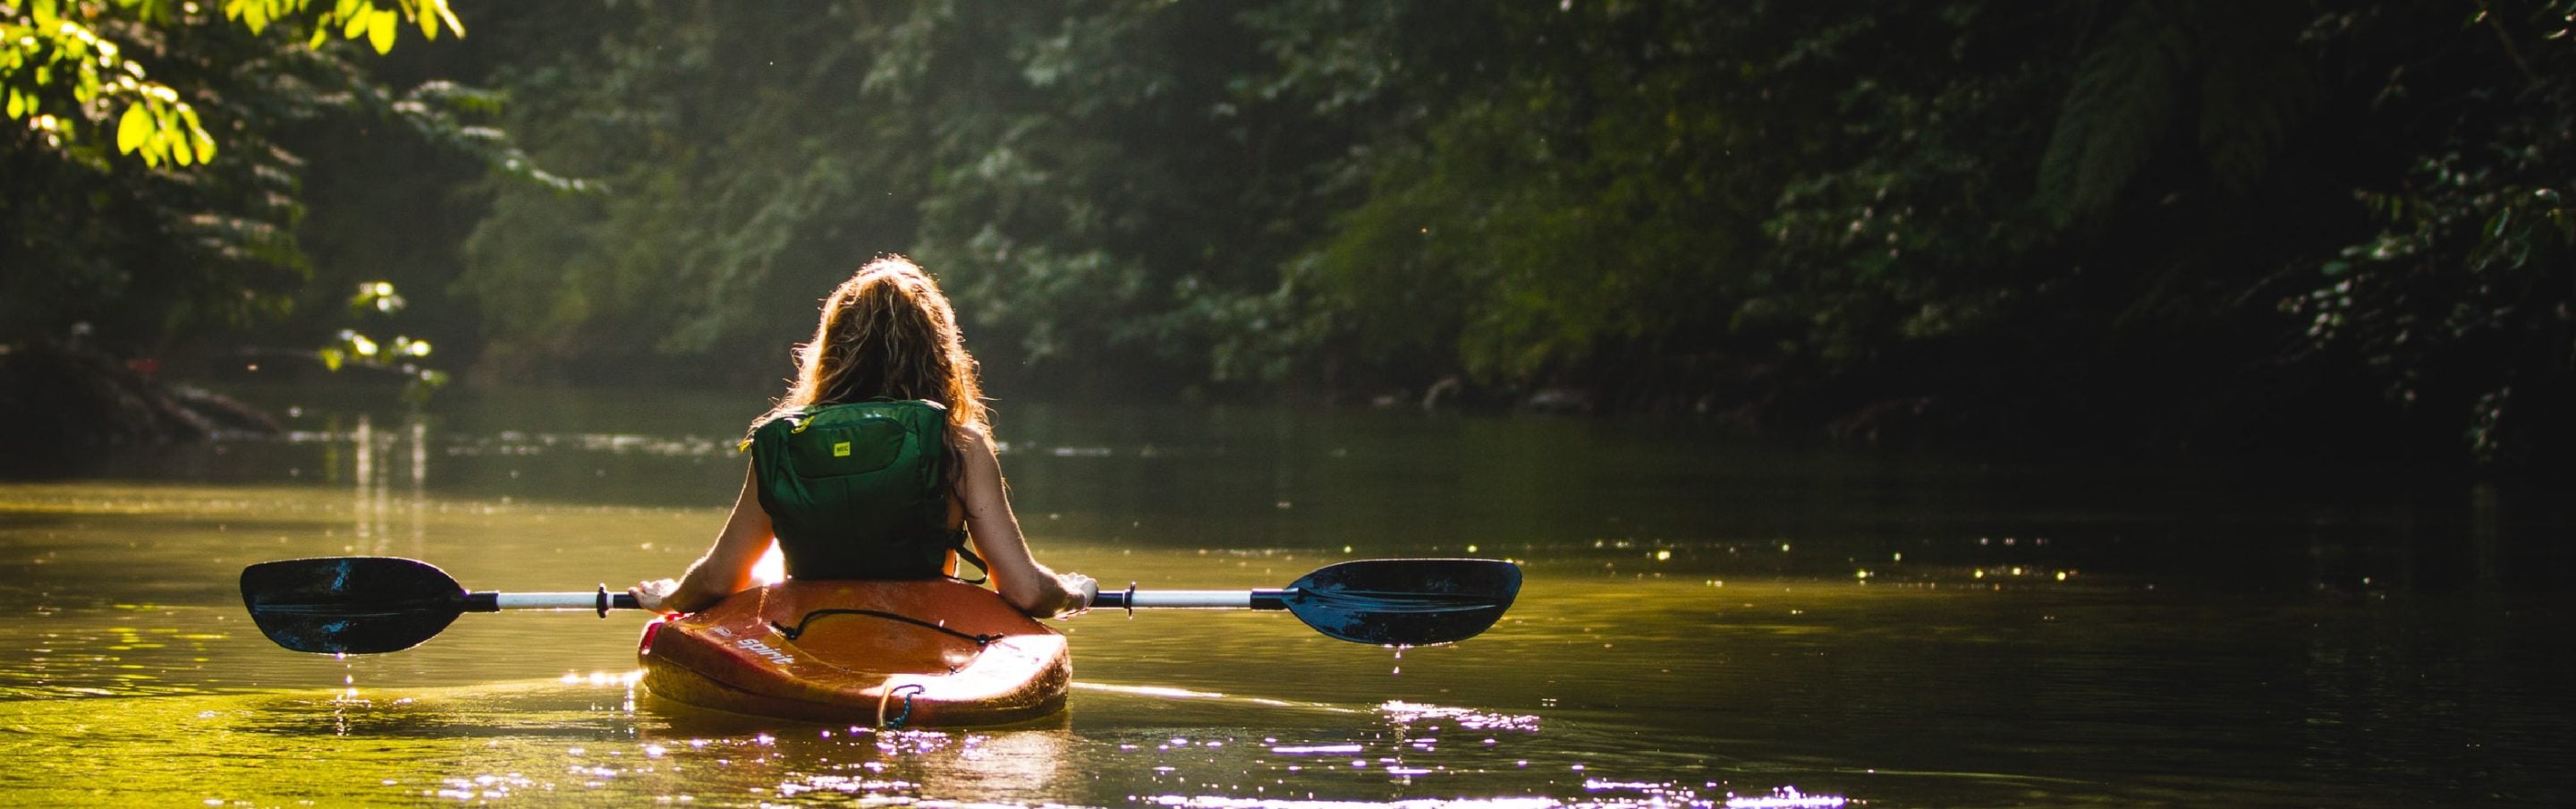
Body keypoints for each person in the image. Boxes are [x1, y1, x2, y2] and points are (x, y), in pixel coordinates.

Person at [629, 256, 1095, 618]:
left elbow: (718, 579)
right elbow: (1026, 591)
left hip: (809, 633)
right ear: (938, 352)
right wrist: (1075, 592)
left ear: (832, 349)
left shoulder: (786, 443)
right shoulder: (960, 447)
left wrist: (671, 596)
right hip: (926, 631)